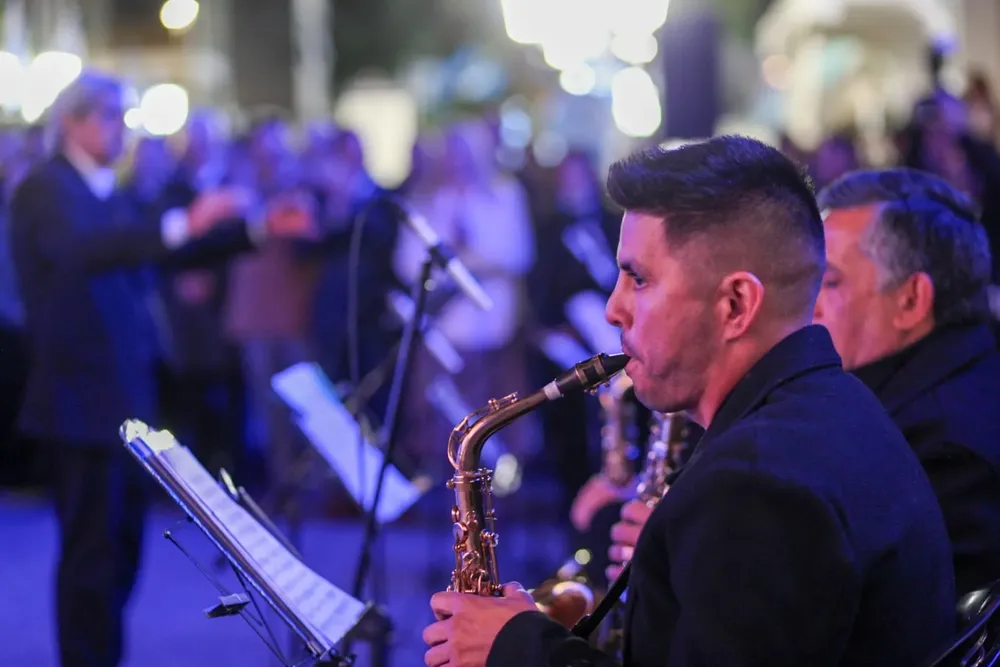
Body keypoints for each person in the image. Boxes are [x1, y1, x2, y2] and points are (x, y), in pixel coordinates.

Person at [421, 135, 956, 667]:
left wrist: (517, 646)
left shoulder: (755, 484)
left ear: (736, 303)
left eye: (638, 278)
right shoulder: (838, 405)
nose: (613, 308)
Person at [9, 71, 310, 667]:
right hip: (77, 399)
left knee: (122, 551)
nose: (122, 130)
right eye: (112, 117)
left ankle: (103, 656)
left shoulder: (107, 192)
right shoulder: (46, 189)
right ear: (73, 121)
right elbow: (87, 251)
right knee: (89, 557)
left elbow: (161, 248)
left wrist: (250, 231)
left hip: (124, 397)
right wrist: (181, 223)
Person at [812, 167, 1000, 599]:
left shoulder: (947, 450)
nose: (809, 304)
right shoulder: (930, 388)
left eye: (829, 281)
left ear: (912, 300)